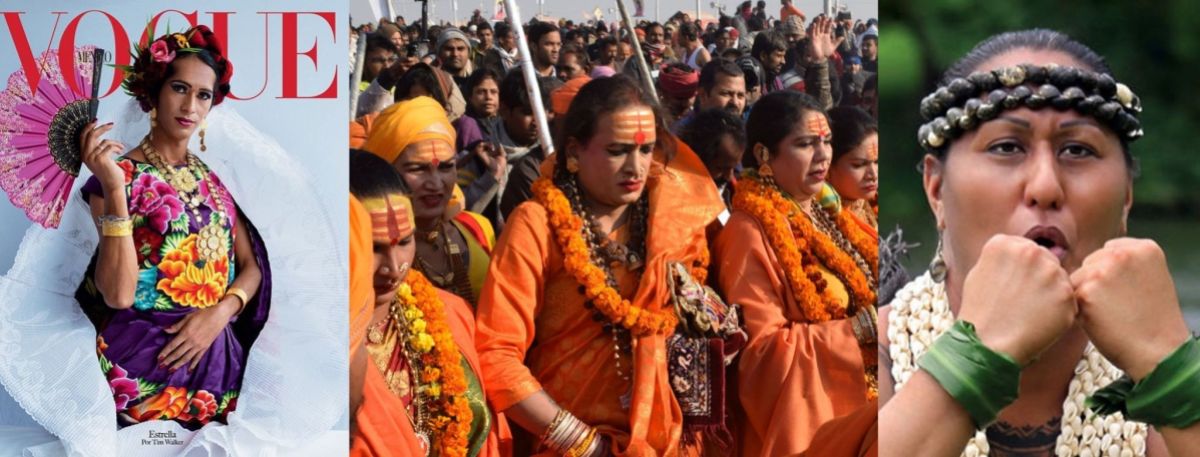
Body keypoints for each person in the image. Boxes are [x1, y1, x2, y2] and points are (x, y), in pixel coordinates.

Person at [879, 29, 1200, 457]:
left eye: (1078, 151)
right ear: (936, 190)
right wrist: (979, 356)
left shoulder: (1167, 383)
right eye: (1007, 146)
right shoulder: (840, 359)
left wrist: (1170, 371)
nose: (1045, 186)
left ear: (1126, 198)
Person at [475, 75, 726, 456]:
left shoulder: (673, 217)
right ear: (574, 152)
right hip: (571, 440)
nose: (636, 167)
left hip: (669, 440)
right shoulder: (537, 224)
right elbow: (497, 355)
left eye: (646, 150)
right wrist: (584, 444)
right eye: (617, 150)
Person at [73, 25, 269, 429]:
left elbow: (252, 268)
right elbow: (119, 293)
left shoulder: (218, 180)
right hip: (142, 367)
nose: (191, 106)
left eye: (203, 95)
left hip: (218, 368)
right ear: (154, 92)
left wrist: (221, 312)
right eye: (180, 88)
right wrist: (113, 187)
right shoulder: (118, 175)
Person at [714, 90, 878, 456]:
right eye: (805, 144)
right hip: (821, 424)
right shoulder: (747, 232)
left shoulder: (826, 212)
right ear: (763, 155)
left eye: (827, 142)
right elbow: (763, 355)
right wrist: (860, 329)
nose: (823, 155)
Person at [348, 150, 505, 457]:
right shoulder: (315, 347)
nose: (394, 268)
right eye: (374, 247)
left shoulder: (451, 314)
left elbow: (488, 437)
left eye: (405, 242)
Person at [361, 97, 495, 308]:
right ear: (386, 171)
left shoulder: (478, 229)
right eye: (418, 168)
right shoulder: (366, 247)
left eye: (445, 167)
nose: (436, 183)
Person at [680, 108, 746, 210]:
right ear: (698, 157)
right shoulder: (675, 193)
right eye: (720, 168)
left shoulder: (733, 189)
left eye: (734, 168)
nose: (729, 176)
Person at [826, 106, 878, 236]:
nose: (873, 174)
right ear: (828, 165)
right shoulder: (822, 224)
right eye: (859, 165)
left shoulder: (872, 205)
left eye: (877, 162)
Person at [435, 27, 475, 94]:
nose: (455, 54)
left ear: (469, 52)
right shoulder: (432, 82)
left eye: (460, 49)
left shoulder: (478, 81)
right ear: (439, 53)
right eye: (449, 49)